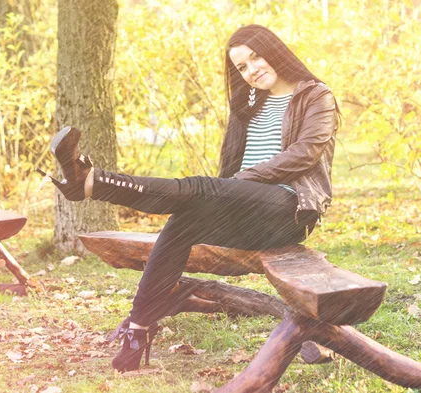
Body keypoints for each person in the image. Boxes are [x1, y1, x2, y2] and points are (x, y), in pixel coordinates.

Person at [44, 24, 339, 372]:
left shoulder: (315, 95)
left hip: (289, 210)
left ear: (274, 50)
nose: (252, 70)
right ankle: (137, 331)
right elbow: (232, 167)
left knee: (201, 188)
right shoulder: (248, 105)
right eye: (242, 67)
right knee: (183, 220)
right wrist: (229, 190)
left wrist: (236, 184)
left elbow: (304, 153)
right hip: (246, 209)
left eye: (256, 57)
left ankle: (93, 183)